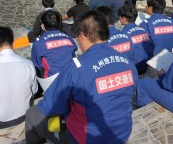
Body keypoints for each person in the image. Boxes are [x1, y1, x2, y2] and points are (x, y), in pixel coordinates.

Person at [25, 11, 139, 144]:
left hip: (87, 139)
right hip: (122, 133)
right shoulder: (126, 62)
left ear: (82, 36)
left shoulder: (76, 68)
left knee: (32, 115)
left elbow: (51, 106)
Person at [31, 11, 77, 78]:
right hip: (72, 76)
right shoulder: (69, 38)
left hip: (52, 79)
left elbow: (37, 65)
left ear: (43, 25)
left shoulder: (38, 43)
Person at [119, 6, 151, 74]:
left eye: (120, 17)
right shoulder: (142, 29)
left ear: (124, 18)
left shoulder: (124, 33)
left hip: (135, 67)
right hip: (146, 64)